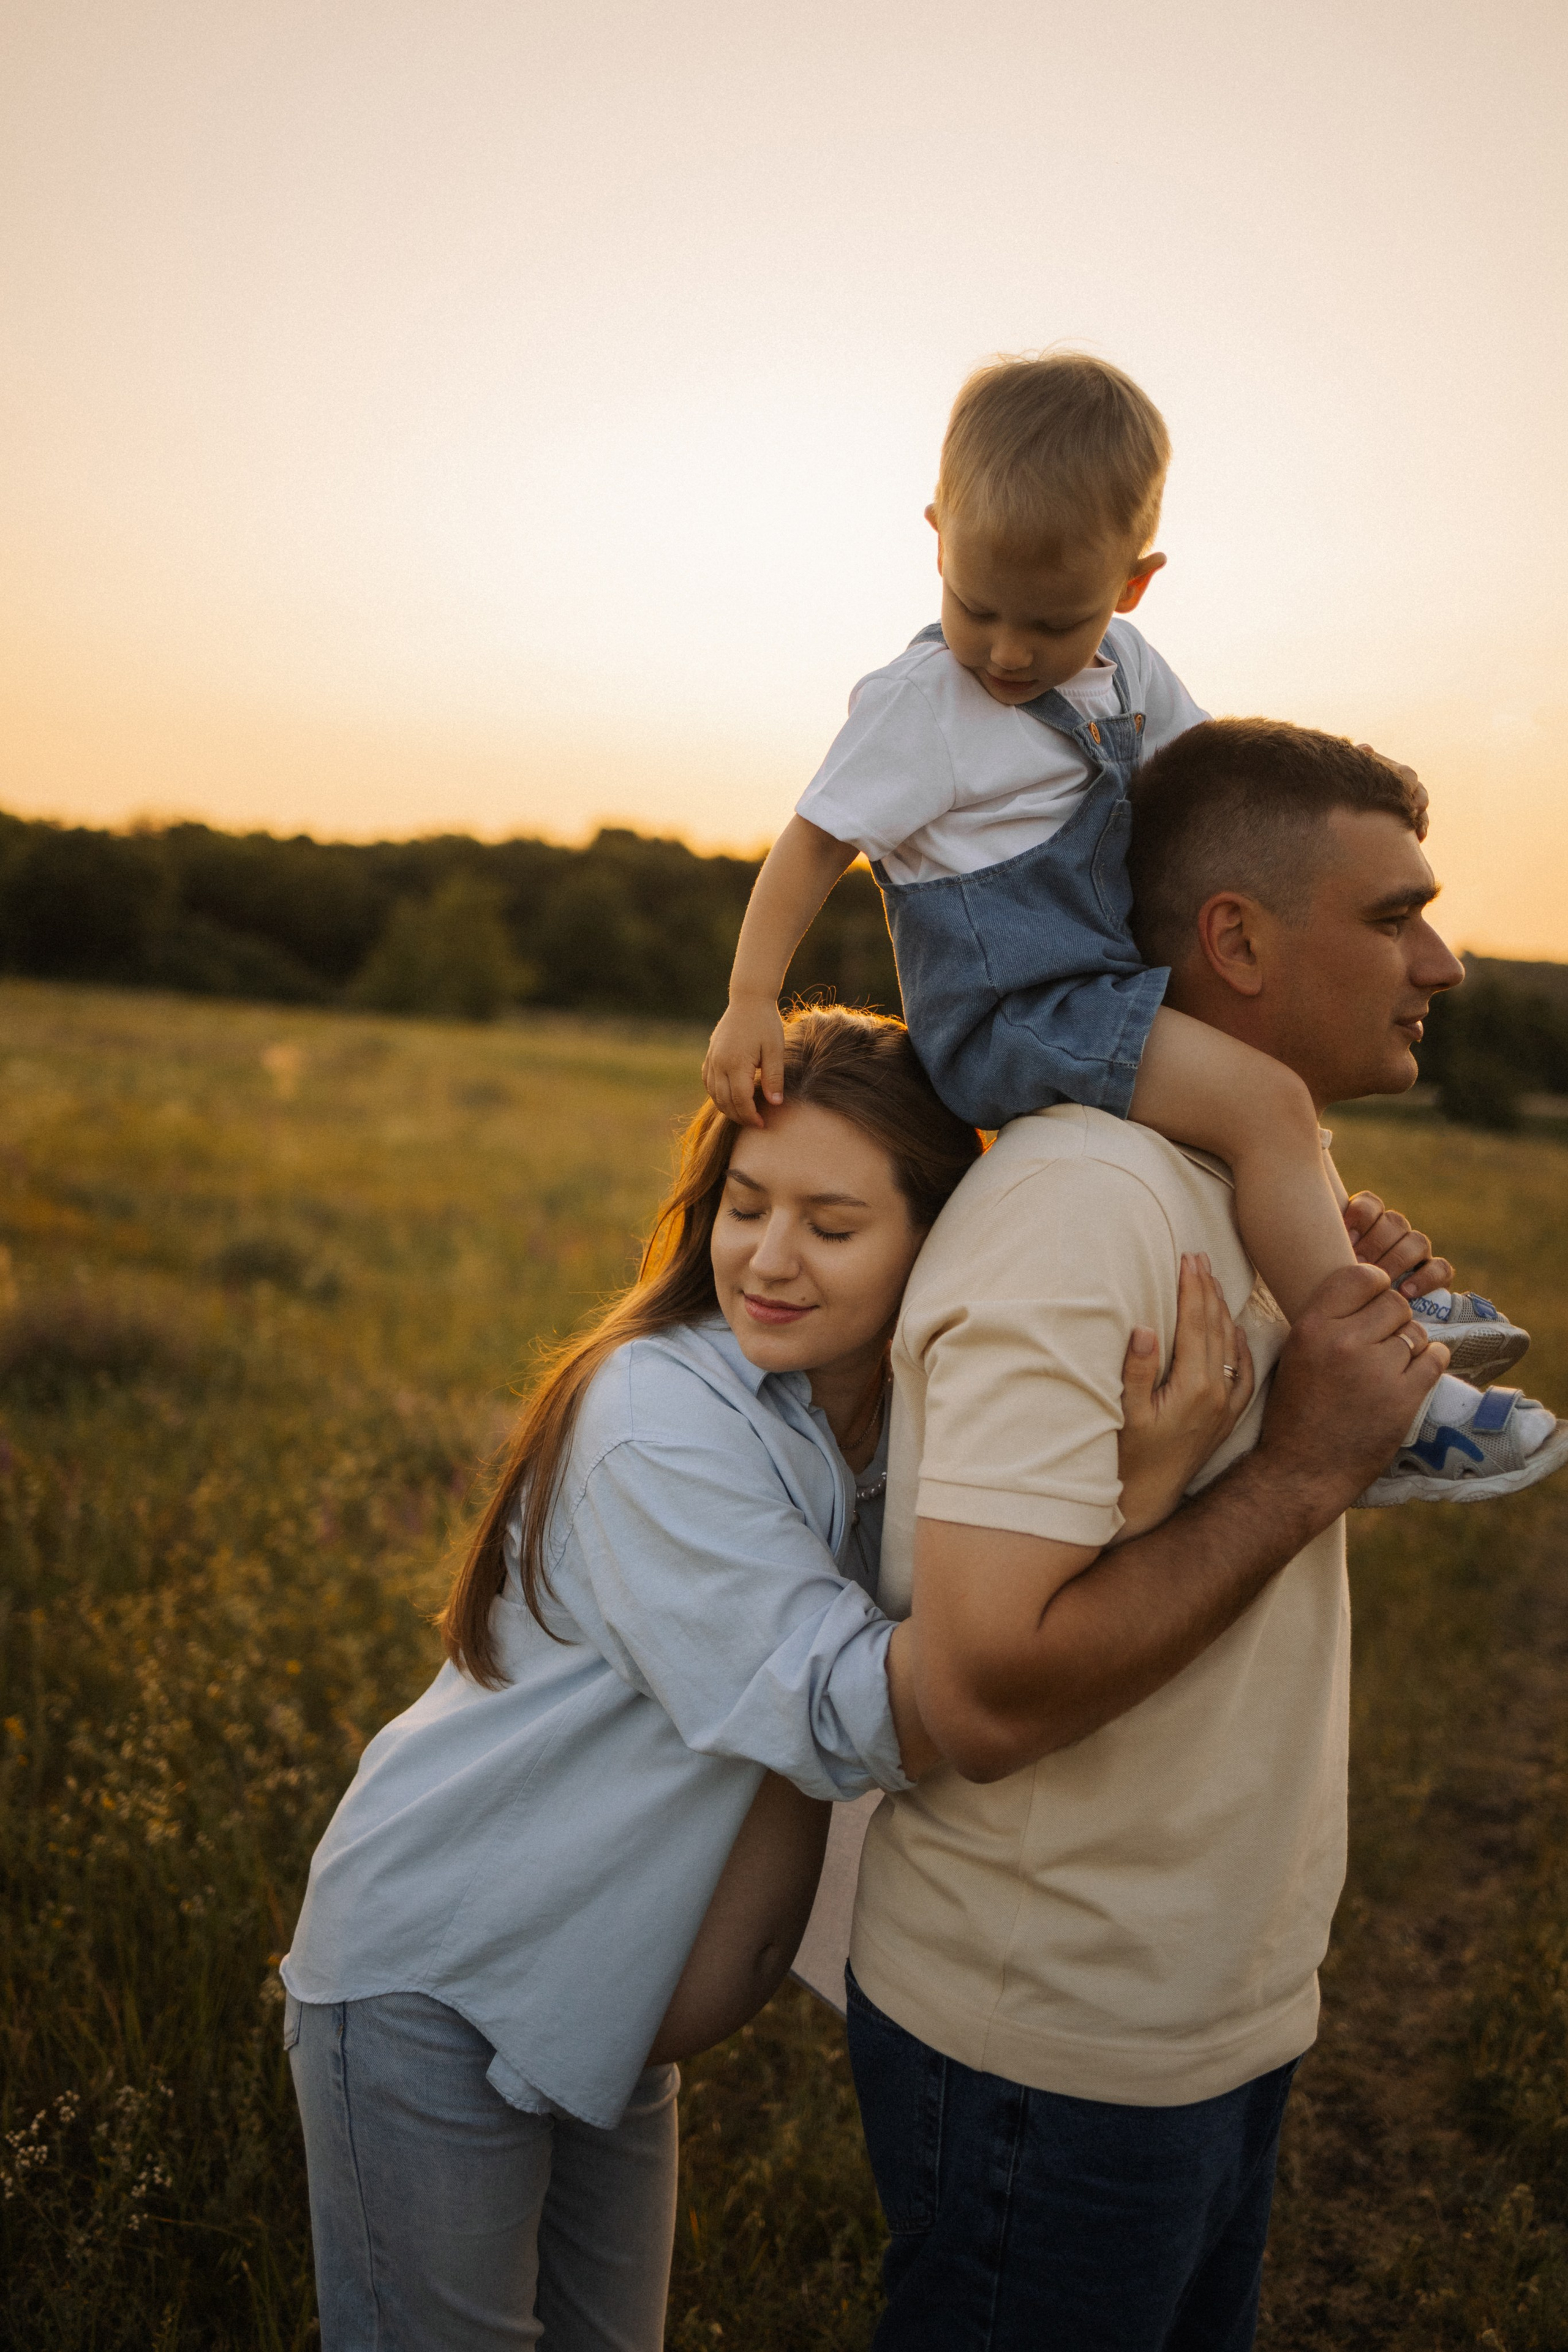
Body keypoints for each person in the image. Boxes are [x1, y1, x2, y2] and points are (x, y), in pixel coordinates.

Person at [278, 1005, 1250, 2352]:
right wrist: (1134, 1503)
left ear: (934, 1239)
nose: (768, 1260)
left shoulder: (909, 1423)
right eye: (742, 1207)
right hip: (447, 1974)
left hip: (606, 2014)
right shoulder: (658, 1420)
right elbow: (863, 1709)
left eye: (832, 1226)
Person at [840, 722, 1568, 2351]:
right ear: (1233, 939)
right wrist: (1308, 1464)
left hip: (1212, 2019)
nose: (1443, 963)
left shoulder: (1232, 1191)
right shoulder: (1086, 1209)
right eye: (1396, 917)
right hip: (1053, 2048)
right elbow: (979, 1693)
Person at [703, 352, 1540, 1494]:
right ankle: (1386, 1393)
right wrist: (753, 997)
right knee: (1265, 1101)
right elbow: (812, 844)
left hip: (1103, 984)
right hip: (1013, 1015)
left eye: (1050, 622)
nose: (1002, 651)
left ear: (1133, 586)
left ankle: (1356, 1287)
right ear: (937, 532)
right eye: (973, 606)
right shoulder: (919, 706)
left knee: (1249, 1105)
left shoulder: (1129, 670)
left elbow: (1208, 786)